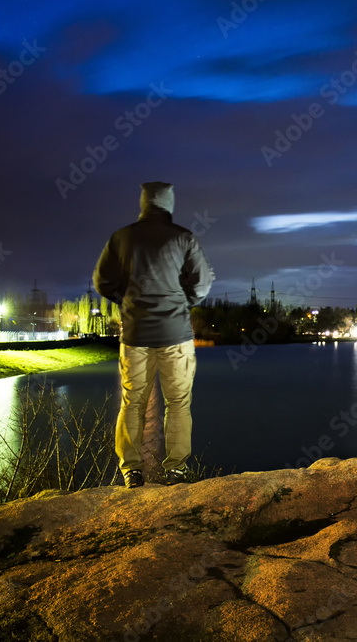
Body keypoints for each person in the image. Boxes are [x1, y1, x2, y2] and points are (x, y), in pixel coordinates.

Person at [93, 181, 214, 488]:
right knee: (178, 404)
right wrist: (180, 301)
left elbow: (101, 281)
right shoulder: (184, 238)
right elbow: (201, 284)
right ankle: (176, 469)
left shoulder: (122, 237)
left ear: (144, 202)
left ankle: (131, 470)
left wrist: (127, 298)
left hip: (135, 335)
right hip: (176, 335)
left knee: (132, 403)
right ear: (169, 203)